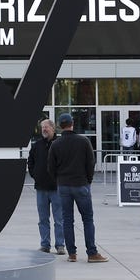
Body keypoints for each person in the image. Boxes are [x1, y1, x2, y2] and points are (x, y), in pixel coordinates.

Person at [47, 113, 108, 263]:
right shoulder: (83, 141)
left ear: (60, 126)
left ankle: (72, 253)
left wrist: (58, 180)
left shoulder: (56, 144)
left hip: (64, 186)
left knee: (67, 220)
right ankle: (91, 252)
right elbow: (90, 163)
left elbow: (51, 167)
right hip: (81, 184)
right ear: (72, 123)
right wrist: (88, 180)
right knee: (87, 219)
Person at [27, 119, 65, 255]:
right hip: (41, 188)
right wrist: (35, 174)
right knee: (43, 219)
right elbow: (30, 161)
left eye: (46, 127)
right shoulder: (37, 145)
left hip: (57, 189)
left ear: (53, 128)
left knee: (59, 220)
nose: (44, 129)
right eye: (42, 127)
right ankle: (45, 245)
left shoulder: (60, 144)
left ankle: (60, 245)